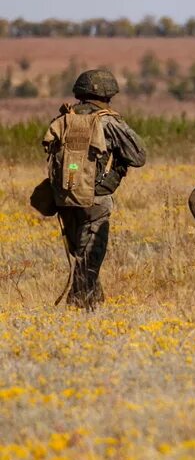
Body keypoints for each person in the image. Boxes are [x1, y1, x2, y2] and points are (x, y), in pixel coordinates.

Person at [41, 69, 146, 308]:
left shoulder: (63, 119)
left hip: (65, 199)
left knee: (82, 257)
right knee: (89, 261)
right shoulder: (108, 120)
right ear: (109, 93)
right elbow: (139, 156)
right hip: (96, 201)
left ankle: (93, 310)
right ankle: (78, 309)